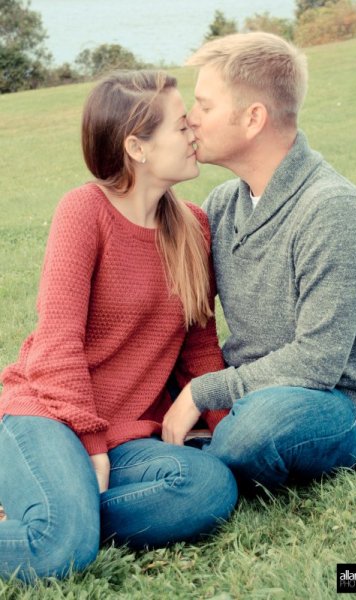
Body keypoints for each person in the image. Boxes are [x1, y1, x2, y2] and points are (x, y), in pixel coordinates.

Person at [0, 70, 237, 582]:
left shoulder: (193, 226)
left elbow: (200, 351)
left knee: (211, 486)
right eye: (180, 126)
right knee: (55, 550)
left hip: (126, 435)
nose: (194, 131)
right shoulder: (84, 211)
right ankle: (59, 520)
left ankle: (55, 510)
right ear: (137, 147)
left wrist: (228, 435)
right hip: (49, 415)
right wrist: (90, 444)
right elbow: (57, 341)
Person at [162, 33, 356, 493]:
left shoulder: (332, 208)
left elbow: (317, 363)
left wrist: (200, 392)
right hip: (248, 387)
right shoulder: (223, 204)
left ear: (253, 118)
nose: (190, 119)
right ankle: (196, 456)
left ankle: (201, 461)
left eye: (204, 106)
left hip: (338, 404)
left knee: (260, 427)